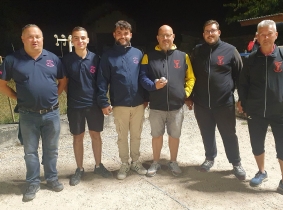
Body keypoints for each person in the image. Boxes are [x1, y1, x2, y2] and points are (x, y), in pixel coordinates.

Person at [0, 24, 67, 202]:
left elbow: (62, 80)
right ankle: (32, 182)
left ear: (42, 38)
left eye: (38, 36)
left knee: (51, 150)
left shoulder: (53, 58)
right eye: (30, 36)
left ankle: (52, 178)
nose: (35, 39)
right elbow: (2, 84)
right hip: (28, 115)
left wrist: (54, 98)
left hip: (51, 114)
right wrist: (18, 98)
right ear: (23, 39)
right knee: (30, 151)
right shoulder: (12, 59)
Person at [238, 20, 283, 202]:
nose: (265, 37)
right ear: (257, 36)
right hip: (256, 112)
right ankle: (261, 171)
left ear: (276, 35)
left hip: (280, 112)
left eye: (269, 33)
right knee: (257, 144)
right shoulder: (250, 60)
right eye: (262, 34)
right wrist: (244, 101)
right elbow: (243, 84)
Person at [187, 20, 246, 180]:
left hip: (224, 103)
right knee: (206, 132)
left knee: (229, 134)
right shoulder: (197, 51)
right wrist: (189, 96)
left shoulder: (230, 50)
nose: (210, 34)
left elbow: (240, 76)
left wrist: (242, 98)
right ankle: (209, 158)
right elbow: (190, 75)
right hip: (201, 103)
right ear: (203, 34)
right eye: (207, 31)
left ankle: (236, 163)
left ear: (219, 32)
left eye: (213, 30)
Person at [139, 25, 195, 177]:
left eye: (168, 35)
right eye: (162, 35)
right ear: (157, 38)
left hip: (176, 106)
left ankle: (173, 162)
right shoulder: (148, 56)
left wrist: (185, 93)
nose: (165, 38)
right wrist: (153, 85)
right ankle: (155, 162)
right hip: (156, 106)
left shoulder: (183, 56)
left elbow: (191, 78)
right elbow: (142, 78)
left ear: (173, 37)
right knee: (156, 135)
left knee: (174, 136)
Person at [97, 20, 147, 180]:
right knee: (122, 136)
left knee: (136, 135)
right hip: (120, 105)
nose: (122, 36)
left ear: (130, 34)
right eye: (119, 33)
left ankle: (136, 161)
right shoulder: (108, 56)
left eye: (125, 33)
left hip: (138, 104)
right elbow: (102, 81)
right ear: (114, 34)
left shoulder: (138, 53)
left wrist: (146, 98)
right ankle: (124, 163)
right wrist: (103, 102)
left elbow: (143, 77)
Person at [62, 26, 112, 186]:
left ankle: (98, 165)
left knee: (96, 135)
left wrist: (103, 102)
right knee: (78, 137)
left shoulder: (96, 59)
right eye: (76, 38)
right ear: (72, 40)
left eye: (82, 37)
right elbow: (64, 83)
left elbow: (101, 83)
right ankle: (80, 169)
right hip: (75, 106)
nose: (80, 40)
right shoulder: (66, 60)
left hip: (93, 105)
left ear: (88, 40)